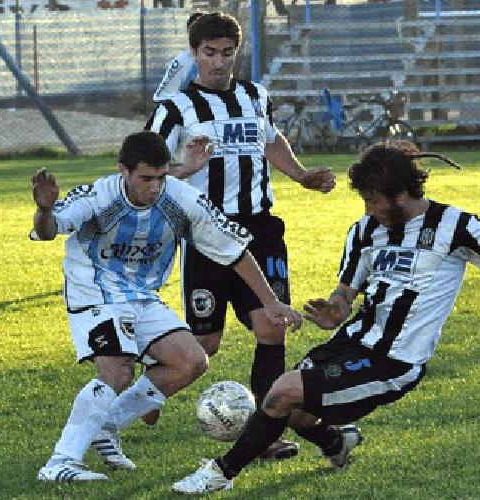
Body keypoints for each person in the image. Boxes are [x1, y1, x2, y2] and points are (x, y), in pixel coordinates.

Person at [170, 140, 480, 494]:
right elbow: (344, 294)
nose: (369, 209)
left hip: (394, 362)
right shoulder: (365, 229)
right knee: (293, 409)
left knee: (280, 394)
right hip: (352, 341)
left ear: (401, 194)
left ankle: (219, 474)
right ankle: (337, 444)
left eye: (374, 199)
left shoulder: (455, 226)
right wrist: (332, 311)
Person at [30, 131, 303, 483]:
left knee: (190, 362)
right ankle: (60, 462)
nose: (155, 187)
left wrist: (270, 303)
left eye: (160, 178)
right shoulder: (99, 196)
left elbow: (234, 250)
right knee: (117, 371)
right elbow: (50, 230)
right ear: (123, 171)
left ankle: (106, 423)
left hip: (142, 295)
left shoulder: (182, 199)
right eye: (146, 178)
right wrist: (44, 209)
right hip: (95, 293)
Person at [142, 11, 337, 459]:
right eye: (209, 53)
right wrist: (184, 169)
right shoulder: (176, 109)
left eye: (227, 53)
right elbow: (144, 166)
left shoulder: (255, 95)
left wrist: (302, 175)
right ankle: (154, 380)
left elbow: (270, 140)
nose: (218, 62)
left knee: (272, 326)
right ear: (194, 54)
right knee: (206, 343)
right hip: (206, 231)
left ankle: (263, 436)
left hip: (261, 230)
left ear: (237, 52)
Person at [151, 12, 203, 104]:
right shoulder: (192, 60)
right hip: (168, 104)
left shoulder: (186, 56)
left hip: (164, 100)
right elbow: (189, 90)